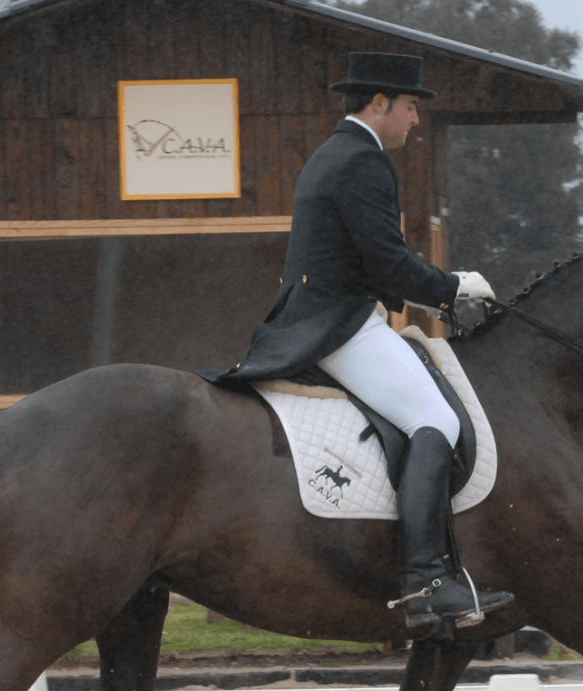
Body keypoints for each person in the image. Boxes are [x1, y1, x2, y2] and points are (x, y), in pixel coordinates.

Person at [200, 52, 513, 631]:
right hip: (338, 322)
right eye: (411, 107)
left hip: (324, 312)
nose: (416, 121)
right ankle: (426, 579)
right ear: (380, 104)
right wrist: (453, 287)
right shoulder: (362, 160)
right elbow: (386, 264)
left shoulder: (334, 153)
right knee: (436, 422)